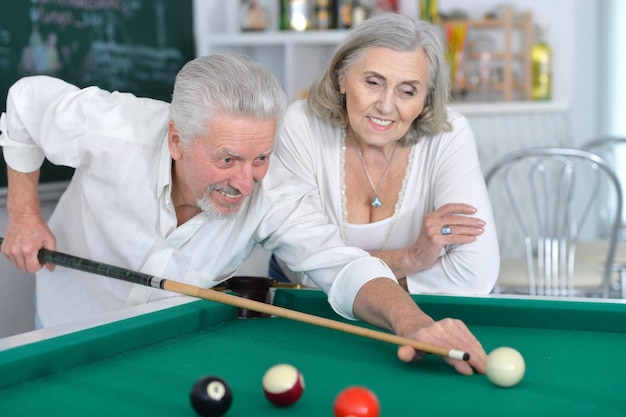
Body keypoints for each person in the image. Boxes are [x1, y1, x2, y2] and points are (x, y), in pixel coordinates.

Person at [0, 53, 486, 376]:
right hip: (66, 321)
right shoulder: (112, 130)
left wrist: (411, 322)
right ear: (176, 140)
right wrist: (23, 213)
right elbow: (25, 100)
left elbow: (342, 263)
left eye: (261, 158)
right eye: (227, 159)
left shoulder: (273, 193)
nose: (244, 182)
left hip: (163, 346)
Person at [269, 12, 500, 294]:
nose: (387, 106)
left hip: (400, 309)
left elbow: (476, 274)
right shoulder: (301, 123)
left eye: (407, 91)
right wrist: (412, 259)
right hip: (302, 305)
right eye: (373, 83)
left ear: (426, 99)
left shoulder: (449, 134)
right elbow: (305, 267)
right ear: (342, 77)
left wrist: (341, 276)